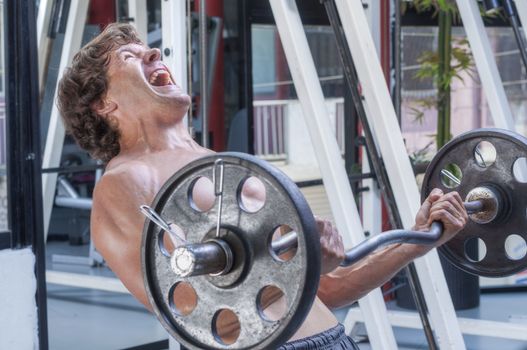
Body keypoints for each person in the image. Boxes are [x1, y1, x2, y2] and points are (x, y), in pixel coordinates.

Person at [57, 23, 468, 349]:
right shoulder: (126, 182)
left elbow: (329, 288)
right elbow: (197, 319)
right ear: (103, 104)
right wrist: (292, 262)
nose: (152, 53)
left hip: (334, 340)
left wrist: (417, 240)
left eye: (148, 49)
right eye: (128, 57)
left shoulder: (220, 167)